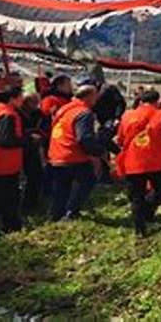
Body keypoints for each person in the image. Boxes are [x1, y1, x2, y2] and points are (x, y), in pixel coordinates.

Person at [47, 84, 114, 221]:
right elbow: (84, 138)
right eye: (96, 95)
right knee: (88, 181)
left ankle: (56, 214)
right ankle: (72, 211)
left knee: (61, 187)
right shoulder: (84, 113)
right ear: (89, 96)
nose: (97, 98)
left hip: (57, 153)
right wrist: (98, 151)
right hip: (72, 155)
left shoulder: (66, 108)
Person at [115, 90, 161, 238]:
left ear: (140, 101)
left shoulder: (127, 115)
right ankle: (148, 211)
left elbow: (120, 138)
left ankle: (140, 229)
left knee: (136, 196)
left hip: (132, 161)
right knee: (159, 191)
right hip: (156, 162)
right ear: (156, 101)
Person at [0, 86, 25, 232]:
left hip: (2, 163)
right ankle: (11, 227)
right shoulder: (8, 114)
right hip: (5, 165)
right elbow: (6, 140)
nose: (22, 100)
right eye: (21, 96)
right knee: (9, 198)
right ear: (13, 98)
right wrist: (28, 140)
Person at [19, 94, 45, 213]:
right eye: (33, 102)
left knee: (35, 174)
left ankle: (31, 202)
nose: (35, 105)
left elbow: (44, 124)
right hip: (20, 148)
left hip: (32, 149)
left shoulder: (37, 114)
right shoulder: (17, 114)